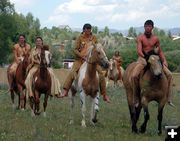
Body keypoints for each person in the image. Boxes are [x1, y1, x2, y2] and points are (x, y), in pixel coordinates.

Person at [61, 23, 110, 102]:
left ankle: (104, 94)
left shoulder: (94, 38)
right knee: (72, 71)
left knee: (101, 73)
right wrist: (81, 56)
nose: (88, 31)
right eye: (87, 29)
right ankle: (66, 91)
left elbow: (97, 47)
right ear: (83, 30)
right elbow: (75, 49)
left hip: (92, 61)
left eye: (89, 29)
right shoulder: (80, 38)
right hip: (80, 60)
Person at [132, 19, 174, 106]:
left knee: (169, 75)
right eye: (146, 26)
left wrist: (164, 60)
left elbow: (160, 51)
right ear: (144, 27)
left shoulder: (156, 39)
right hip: (143, 58)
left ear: (152, 28)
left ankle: (168, 98)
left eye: (149, 27)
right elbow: (139, 51)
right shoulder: (140, 38)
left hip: (154, 59)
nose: (147, 28)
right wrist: (146, 57)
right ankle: (136, 97)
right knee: (134, 76)